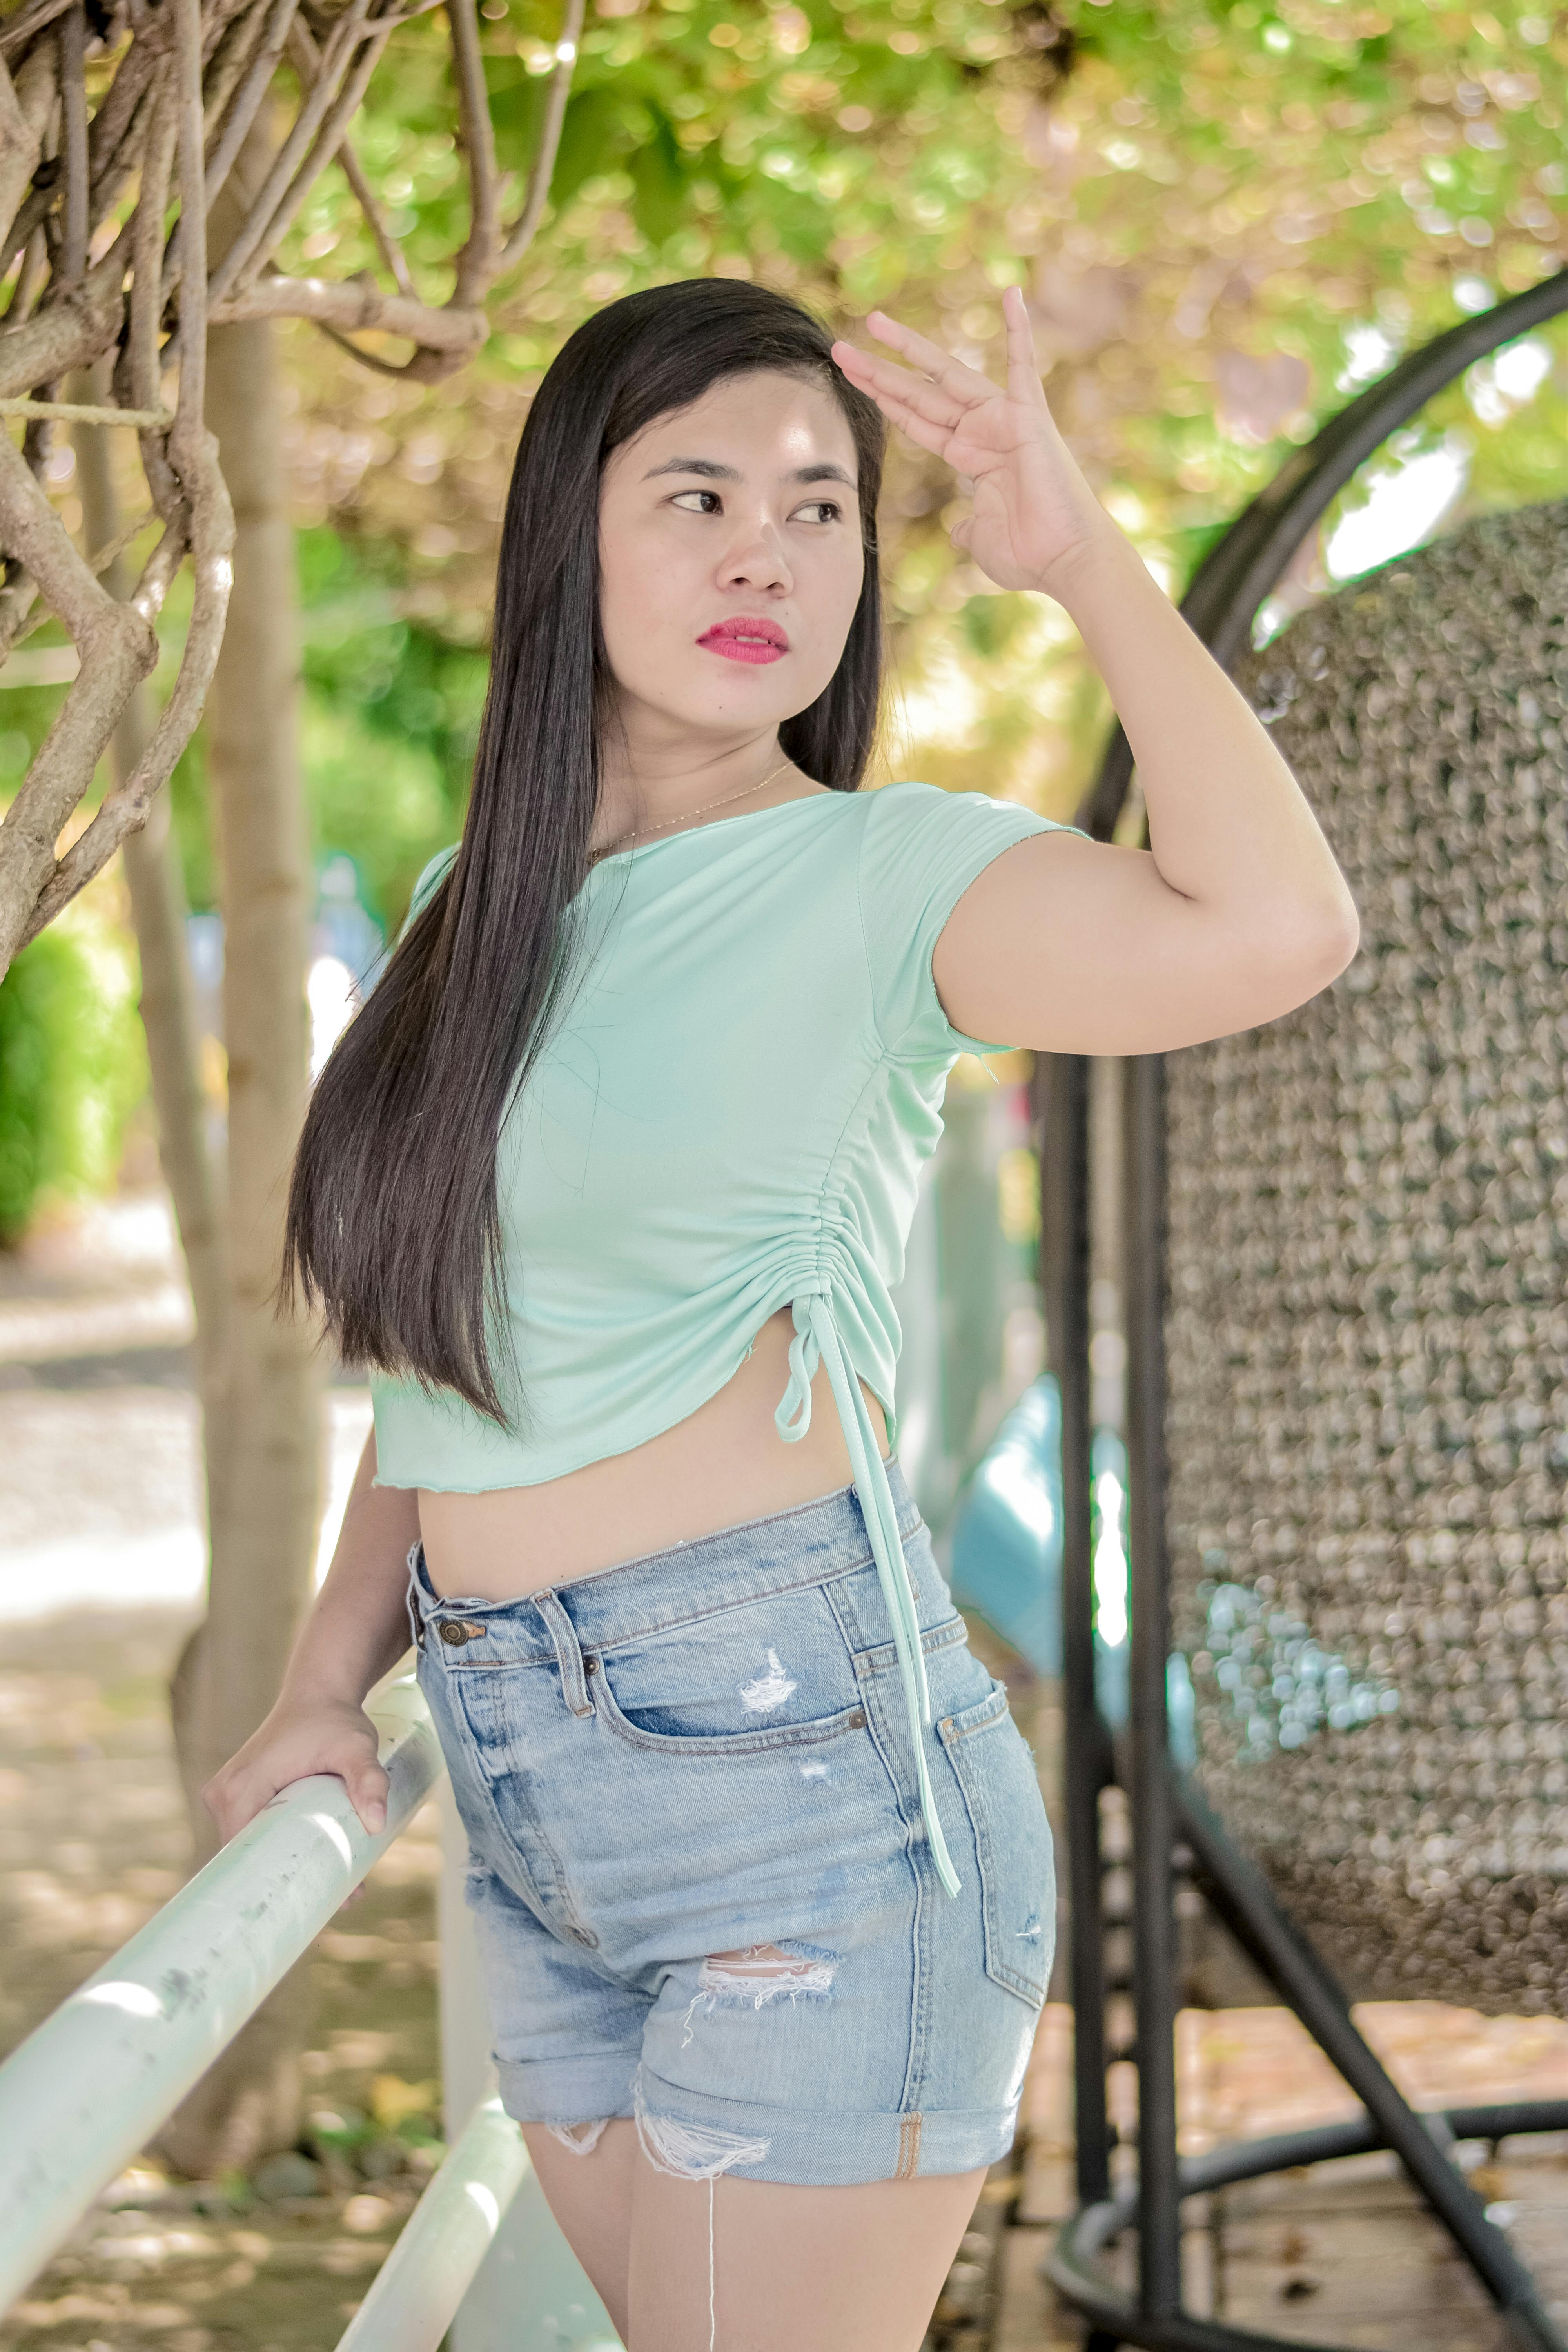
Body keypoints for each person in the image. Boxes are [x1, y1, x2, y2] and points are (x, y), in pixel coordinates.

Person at [202, 277, 1359, 2350]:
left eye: (823, 508)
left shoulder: (887, 879)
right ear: (569, 534)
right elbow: (443, 1372)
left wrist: (1083, 559)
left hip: (806, 1799)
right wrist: (317, 1684)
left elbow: (1281, 928)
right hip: (530, 1792)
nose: (768, 548)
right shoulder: (487, 907)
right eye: (701, 492)